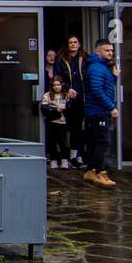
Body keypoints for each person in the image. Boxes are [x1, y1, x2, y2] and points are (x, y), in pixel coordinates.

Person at [83, 38, 119, 189]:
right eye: (107, 50)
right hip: (98, 112)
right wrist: (111, 107)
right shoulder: (97, 68)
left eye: (111, 50)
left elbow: (105, 86)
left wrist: (114, 77)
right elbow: (97, 91)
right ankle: (100, 172)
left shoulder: (102, 67)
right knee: (103, 142)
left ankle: (91, 171)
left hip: (97, 111)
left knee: (95, 142)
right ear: (98, 51)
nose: (110, 53)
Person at [56, 35, 87, 167]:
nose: (73, 44)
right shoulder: (61, 60)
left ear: (79, 44)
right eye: (70, 42)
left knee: (79, 127)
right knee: (64, 127)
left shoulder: (85, 58)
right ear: (67, 45)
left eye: (75, 42)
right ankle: (63, 156)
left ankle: (77, 154)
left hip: (82, 97)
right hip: (66, 98)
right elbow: (58, 78)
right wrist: (67, 89)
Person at [40, 77, 69, 170]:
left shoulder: (65, 95)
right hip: (52, 121)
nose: (56, 87)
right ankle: (54, 160)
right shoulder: (47, 95)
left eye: (58, 85)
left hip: (63, 122)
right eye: (54, 85)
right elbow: (44, 107)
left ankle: (64, 160)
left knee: (62, 141)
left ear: (62, 85)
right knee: (52, 141)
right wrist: (55, 109)